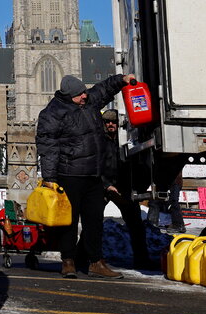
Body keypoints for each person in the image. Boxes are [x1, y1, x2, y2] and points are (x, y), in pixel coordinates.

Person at [36, 73, 134, 279]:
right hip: (69, 174)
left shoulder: (88, 101)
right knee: (69, 222)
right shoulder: (52, 113)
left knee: (94, 221)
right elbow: (48, 147)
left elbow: (104, 89)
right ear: (68, 95)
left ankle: (96, 262)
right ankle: (68, 262)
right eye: (80, 94)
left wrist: (121, 79)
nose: (84, 96)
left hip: (93, 174)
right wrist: (50, 177)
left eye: (84, 92)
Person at [98, 110, 158, 270]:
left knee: (136, 224)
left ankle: (142, 259)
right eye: (107, 122)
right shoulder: (99, 142)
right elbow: (96, 166)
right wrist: (106, 185)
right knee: (94, 224)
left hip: (123, 189)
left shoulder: (126, 141)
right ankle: (85, 258)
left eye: (113, 122)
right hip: (104, 188)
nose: (110, 125)